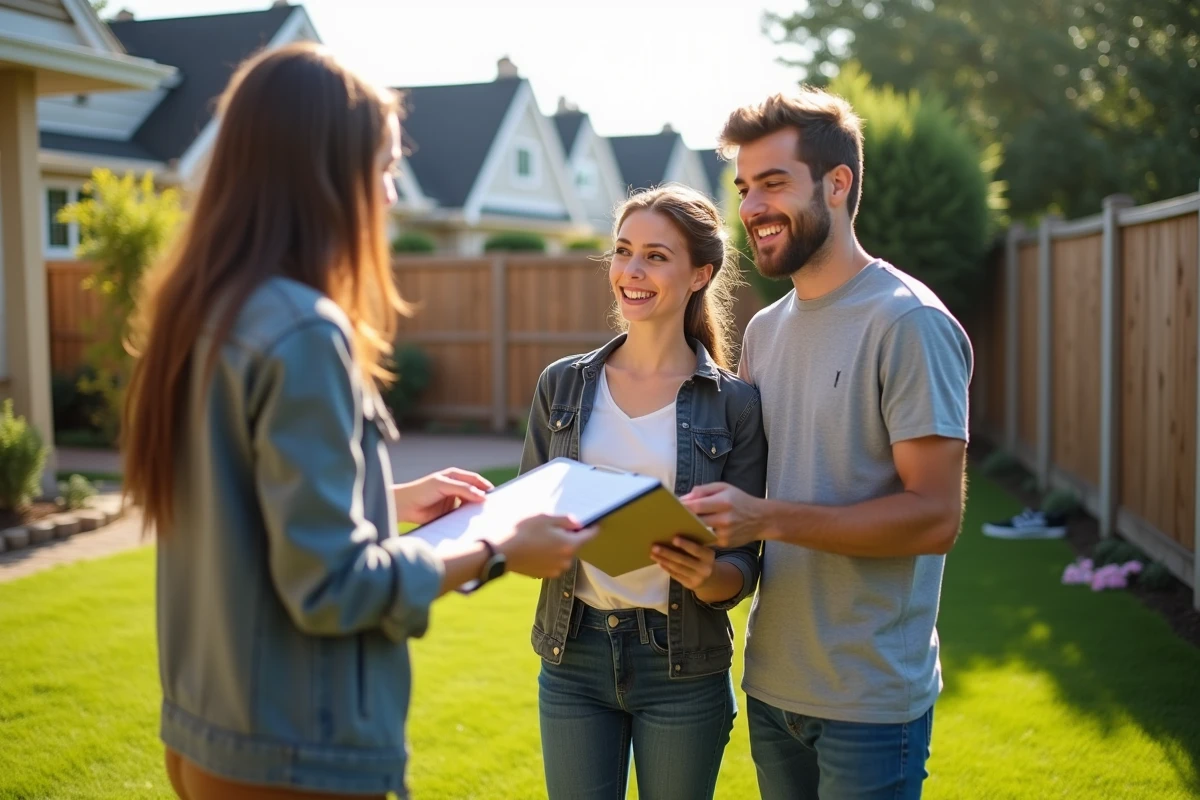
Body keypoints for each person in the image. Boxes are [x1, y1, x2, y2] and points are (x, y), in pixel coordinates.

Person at [120, 43, 594, 800]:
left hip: (207, 734)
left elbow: (243, 505)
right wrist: (498, 551)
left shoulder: (205, 311)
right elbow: (332, 585)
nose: (393, 193)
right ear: (325, 173)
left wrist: (389, 501)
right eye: (383, 166)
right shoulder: (305, 331)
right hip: (297, 755)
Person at [682, 90, 973, 799]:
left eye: (773, 183)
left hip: (868, 699)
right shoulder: (764, 331)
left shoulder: (909, 323)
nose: (752, 207)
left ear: (836, 184)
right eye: (744, 188)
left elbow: (935, 519)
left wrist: (764, 518)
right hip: (772, 683)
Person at [520, 184, 767, 800]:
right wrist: (535, 539)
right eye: (623, 250)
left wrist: (706, 575)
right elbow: (525, 525)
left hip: (682, 665)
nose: (631, 270)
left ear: (700, 274)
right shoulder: (562, 386)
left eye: (656, 256)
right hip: (572, 654)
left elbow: (743, 565)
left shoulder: (736, 406)